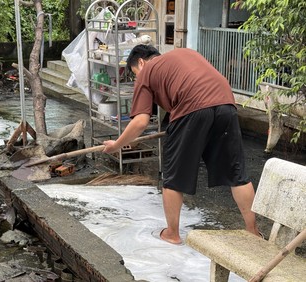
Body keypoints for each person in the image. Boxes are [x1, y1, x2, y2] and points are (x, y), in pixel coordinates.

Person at [102, 45, 261, 245]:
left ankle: (172, 233)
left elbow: (141, 122)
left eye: (135, 73)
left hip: (192, 108)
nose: (137, 78)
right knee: (237, 174)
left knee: (173, 176)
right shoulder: (185, 54)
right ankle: (253, 232)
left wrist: (117, 145)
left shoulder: (146, 72)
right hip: (226, 105)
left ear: (140, 62)